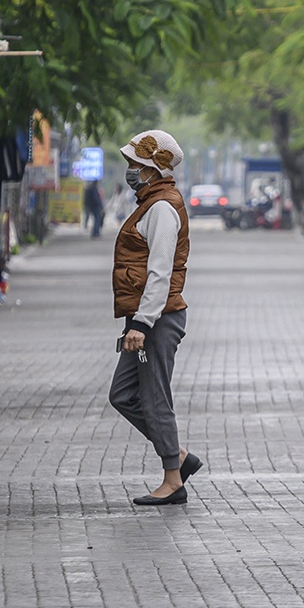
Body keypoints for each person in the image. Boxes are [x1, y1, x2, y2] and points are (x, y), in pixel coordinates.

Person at [109, 129, 201, 506]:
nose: (130, 170)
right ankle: (178, 456)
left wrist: (142, 324)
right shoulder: (150, 203)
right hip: (147, 317)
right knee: (123, 395)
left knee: (154, 398)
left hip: (157, 320)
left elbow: (160, 272)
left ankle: (172, 479)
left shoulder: (162, 207)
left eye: (135, 164)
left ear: (152, 168)